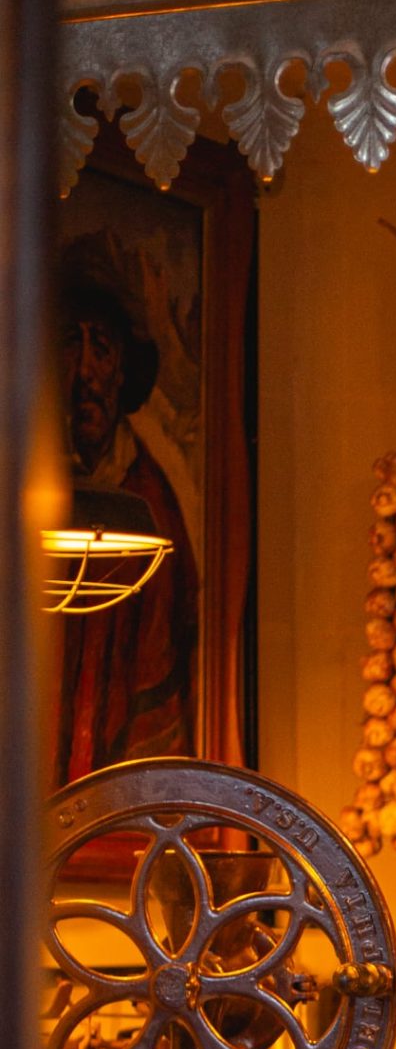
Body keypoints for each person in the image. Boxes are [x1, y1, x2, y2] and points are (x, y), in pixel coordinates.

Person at [54, 233, 201, 782]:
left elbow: (164, 681)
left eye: (102, 347)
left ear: (122, 370)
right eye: (71, 342)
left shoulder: (149, 505)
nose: (86, 371)